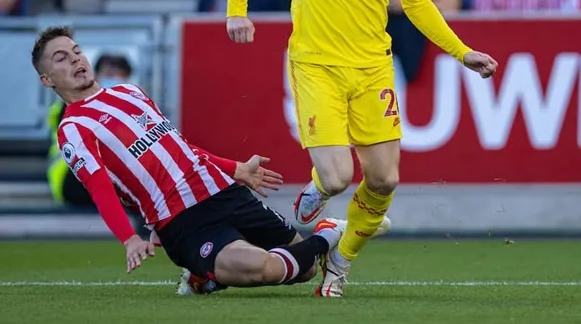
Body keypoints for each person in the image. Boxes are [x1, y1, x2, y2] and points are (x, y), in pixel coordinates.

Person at [226, 0, 498, 297]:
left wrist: (462, 52)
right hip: (316, 63)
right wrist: (236, 11)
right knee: (337, 177)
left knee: (385, 178)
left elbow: (414, 3)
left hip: (373, 66)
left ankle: (340, 260)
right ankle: (317, 190)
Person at [31, 25, 348, 295]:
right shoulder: (73, 128)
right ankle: (329, 234)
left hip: (223, 192)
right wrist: (129, 238)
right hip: (181, 221)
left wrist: (235, 169)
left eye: (75, 51)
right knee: (259, 268)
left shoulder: (130, 92)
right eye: (61, 58)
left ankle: (204, 277)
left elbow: (179, 146)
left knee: (305, 270)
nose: (74, 59)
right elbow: (99, 186)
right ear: (47, 79)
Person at [47, 54, 133, 206]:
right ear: (95, 76)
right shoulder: (72, 102)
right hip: (70, 177)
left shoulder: (128, 104)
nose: (114, 79)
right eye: (109, 74)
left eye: (120, 76)